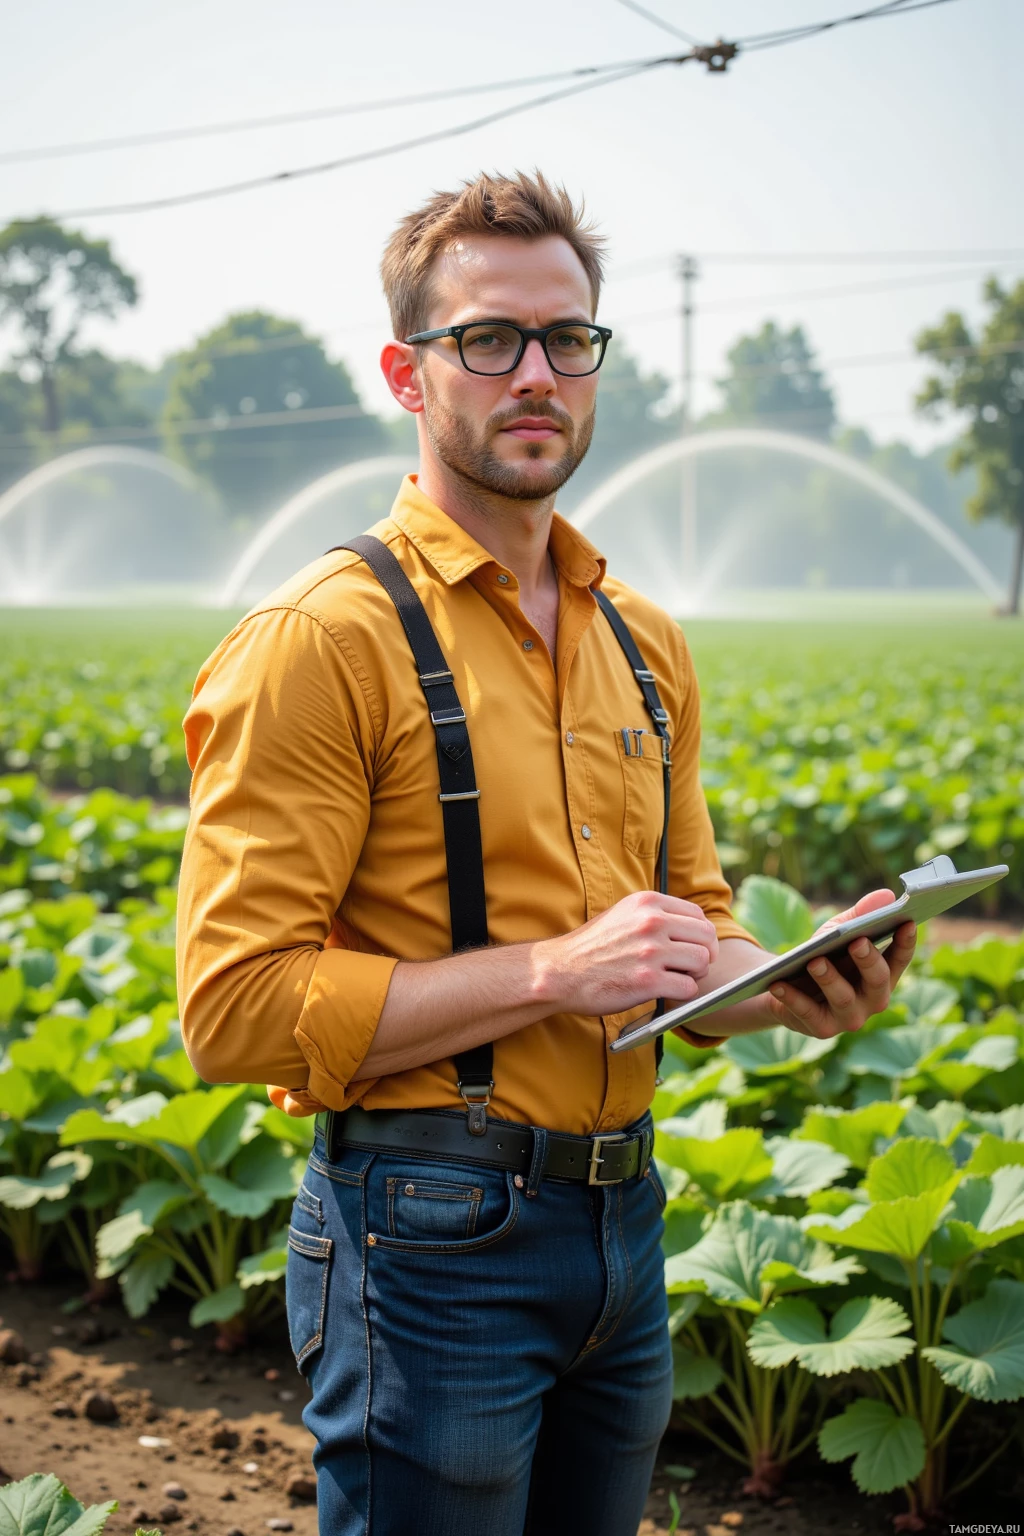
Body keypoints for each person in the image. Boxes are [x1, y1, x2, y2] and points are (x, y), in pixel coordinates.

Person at [176, 171, 917, 1536]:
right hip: (423, 1231)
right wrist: (552, 973)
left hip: (624, 1229)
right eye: (488, 340)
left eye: (568, 340)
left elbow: (687, 929)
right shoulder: (325, 638)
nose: (536, 373)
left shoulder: (642, 638)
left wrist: (797, 987)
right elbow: (232, 1012)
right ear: (408, 371)